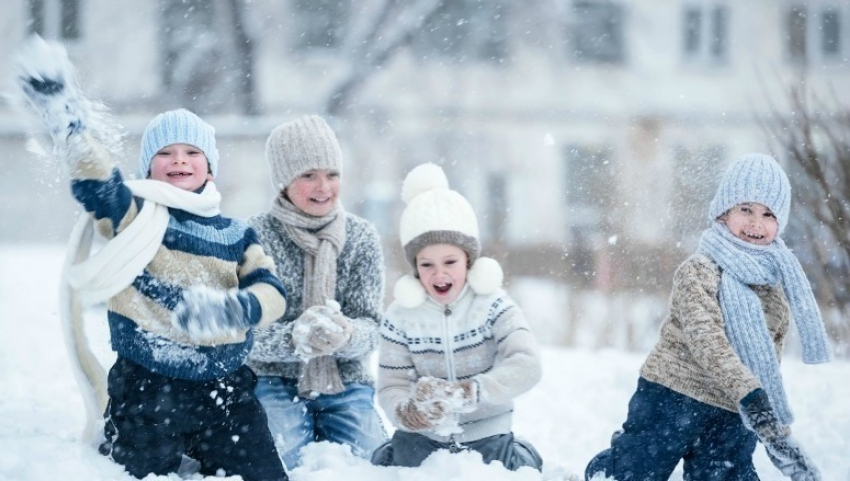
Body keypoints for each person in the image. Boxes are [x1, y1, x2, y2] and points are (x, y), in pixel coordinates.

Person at [16, 37, 288, 481]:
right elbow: (99, 181)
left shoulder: (237, 233)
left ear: (210, 168)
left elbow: (273, 293)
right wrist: (70, 125)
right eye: (165, 152)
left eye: (191, 152)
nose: (178, 159)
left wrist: (235, 307)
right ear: (148, 168)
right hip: (148, 388)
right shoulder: (135, 216)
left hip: (226, 388)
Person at [585, 153, 832, 481]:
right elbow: (706, 340)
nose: (756, 223)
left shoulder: (774, 292)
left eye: (768, 214)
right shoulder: (699, 270)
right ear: (724, 212)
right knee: (637, 471)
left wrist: (774, 428)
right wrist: (752, 396)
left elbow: (766, 366)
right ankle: (613, 465)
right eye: (746, 209)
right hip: (672, 397)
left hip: (732, 411)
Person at [371, 162, 543, 471]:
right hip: (422, 437)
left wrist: (471, 392)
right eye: (426, 265)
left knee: (509, 469)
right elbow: (391, 383)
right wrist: (408, 412)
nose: (439, 274)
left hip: (487, 432)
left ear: (469, 259)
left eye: (450, 261)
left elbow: (527, 364)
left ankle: (524, 455)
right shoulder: (400, 317)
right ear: (414, 266)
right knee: (391, 465)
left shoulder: (493, 305)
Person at [246, 115, 387, 469]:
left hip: (346, 380)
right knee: (281, 463)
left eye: (332, 174)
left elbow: (372, 326)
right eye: (308, 175)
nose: (323, 186)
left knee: (374, 463)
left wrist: (346, 334)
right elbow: (243, 332)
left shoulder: (361, 237)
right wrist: (295, 339)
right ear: (283, 181)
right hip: (273, 379)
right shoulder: (254, 236)